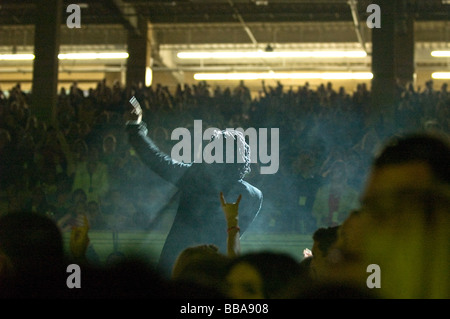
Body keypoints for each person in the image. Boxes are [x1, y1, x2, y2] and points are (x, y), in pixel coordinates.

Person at [124, 97, 263, 278]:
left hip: (180, 264)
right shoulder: (253, 195)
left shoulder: (194, 178)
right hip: (219, 269)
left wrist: (135, 126)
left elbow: (156, 160)